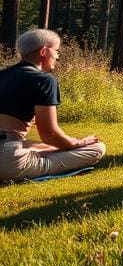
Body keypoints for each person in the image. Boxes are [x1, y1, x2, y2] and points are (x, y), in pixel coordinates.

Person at [0, 29, 106, 182]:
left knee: (38, 145)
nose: (58, 56)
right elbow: (49, 135)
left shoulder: (3, 75)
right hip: (7, 159)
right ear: (44, 51)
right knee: (96, 148)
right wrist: (79, 142)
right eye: (56, 51)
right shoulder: (43, 80)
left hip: (10, 144)